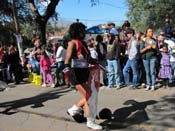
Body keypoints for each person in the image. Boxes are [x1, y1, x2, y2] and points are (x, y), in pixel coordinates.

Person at [64, 22, 103, 130]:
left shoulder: (84, 44)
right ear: (77, 32)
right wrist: (66, 74)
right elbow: (67, 59)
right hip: (75, 74)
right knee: (89, 96)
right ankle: (90, 121)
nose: (84, 33)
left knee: (91, 95)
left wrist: (95, 61)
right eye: (82, 31)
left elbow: (88, 58)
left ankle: (74, 109)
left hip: (84, 73)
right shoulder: (72, 43)